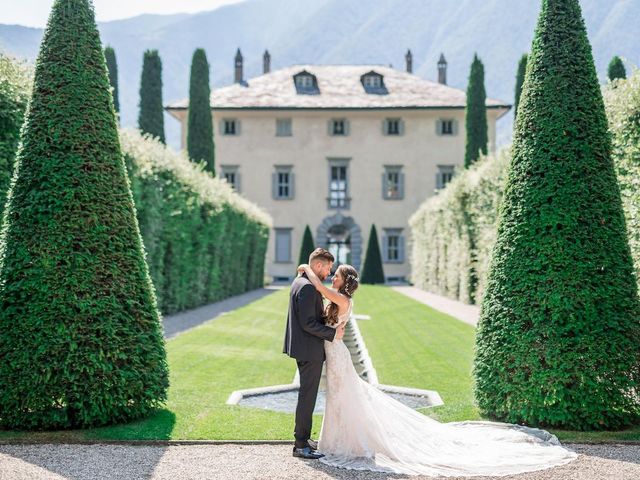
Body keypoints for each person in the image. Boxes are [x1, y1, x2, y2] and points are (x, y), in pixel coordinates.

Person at [296, 262, 579, 477]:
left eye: (337, 275)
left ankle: (346, 443)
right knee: (339, 398)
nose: (333, 276)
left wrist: (306, 267)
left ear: (345, 281)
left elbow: (320, 290)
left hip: (337, 355)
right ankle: (335, 441)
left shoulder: (341, 299)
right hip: (333, 353)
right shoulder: (338, 298)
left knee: (345, 398)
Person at [283, 248, 345, 460]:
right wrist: (333, 332)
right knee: (307, 398)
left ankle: (304, 440)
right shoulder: (308, 287)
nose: (329, 272)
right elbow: (308, 323)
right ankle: (300, 444)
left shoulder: (299, 282)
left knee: (306, 396)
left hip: (303, 347)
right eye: (328, 268)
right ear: (318, 266)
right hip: (310, 350)